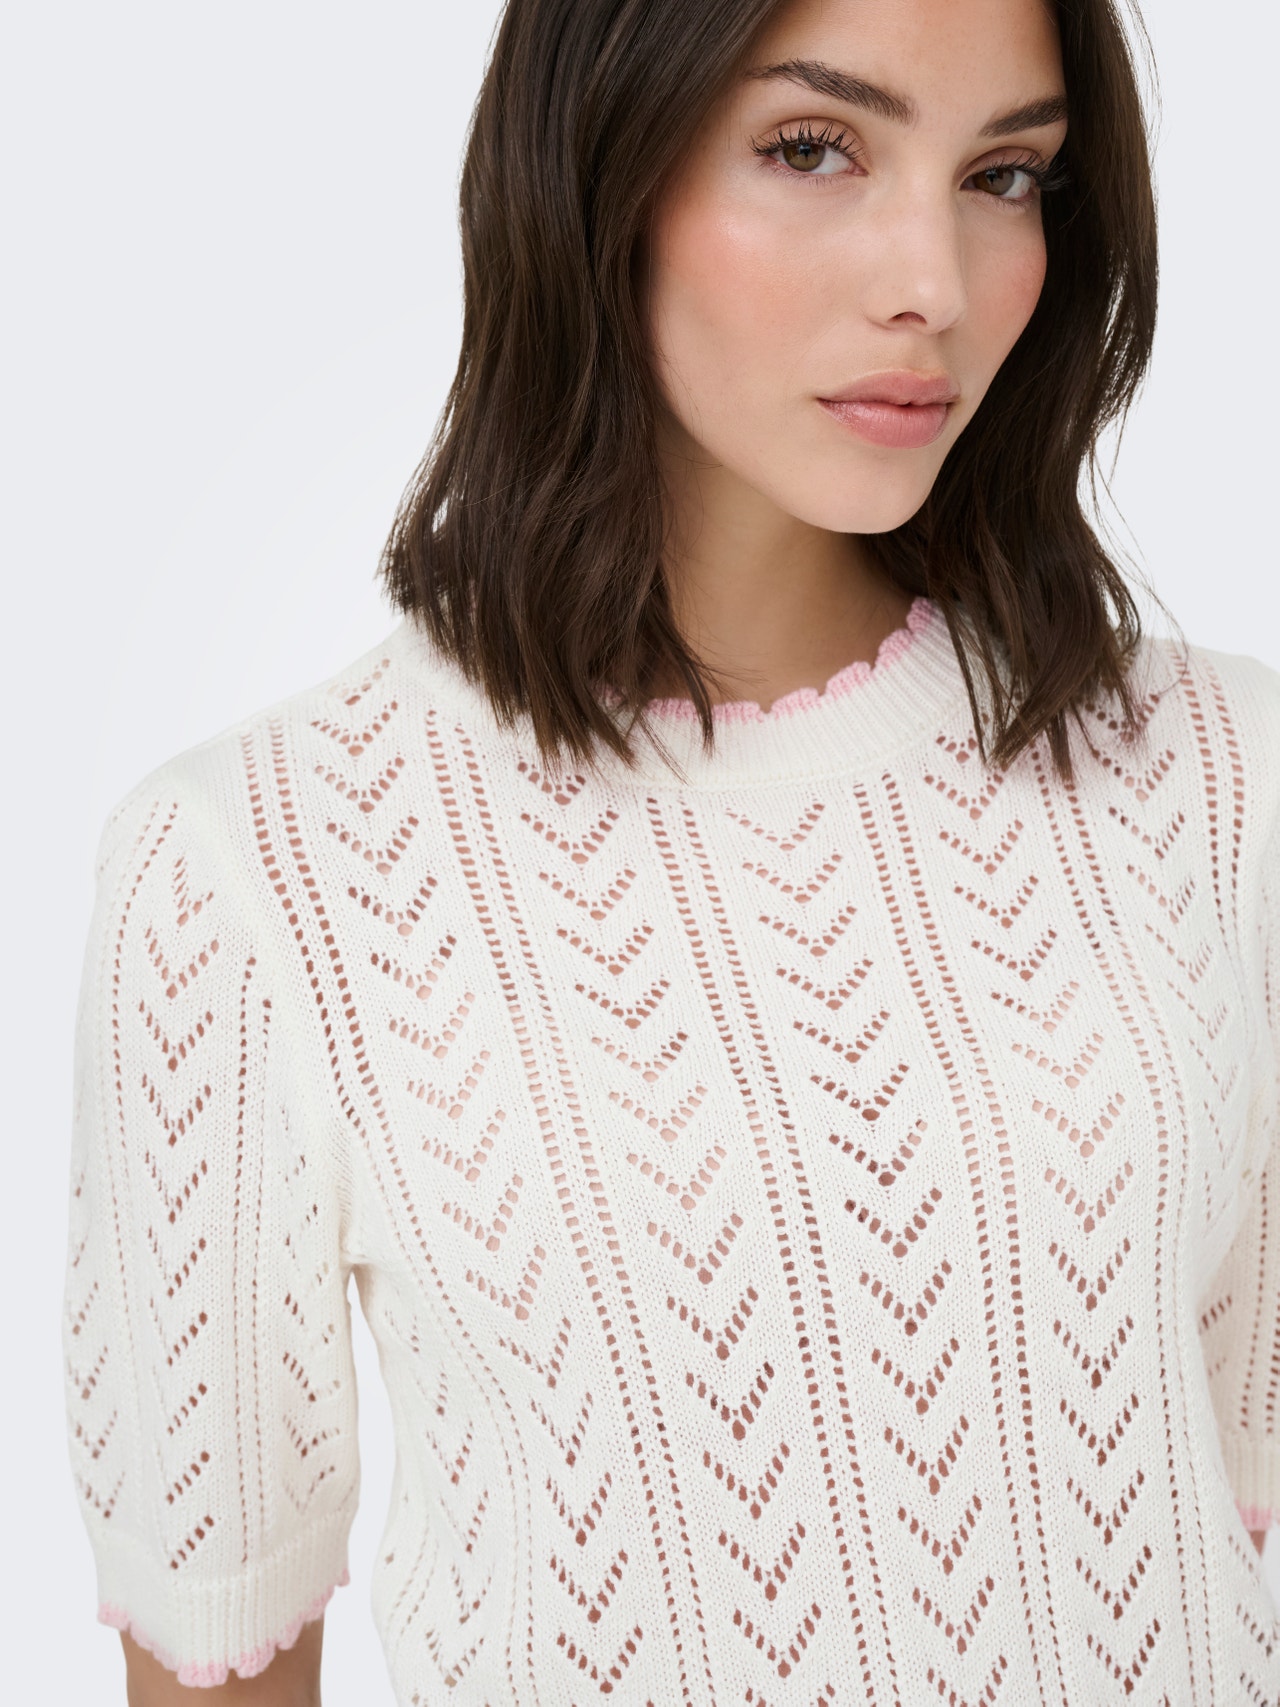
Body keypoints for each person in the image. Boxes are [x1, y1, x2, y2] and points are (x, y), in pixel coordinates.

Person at [61, 0, 1280, 1700]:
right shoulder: (259, 868)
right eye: (814, 147)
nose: (932, 280)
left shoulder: (1221, 779)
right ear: (594, 168)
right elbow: (217, 1638)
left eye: (1006, 174)